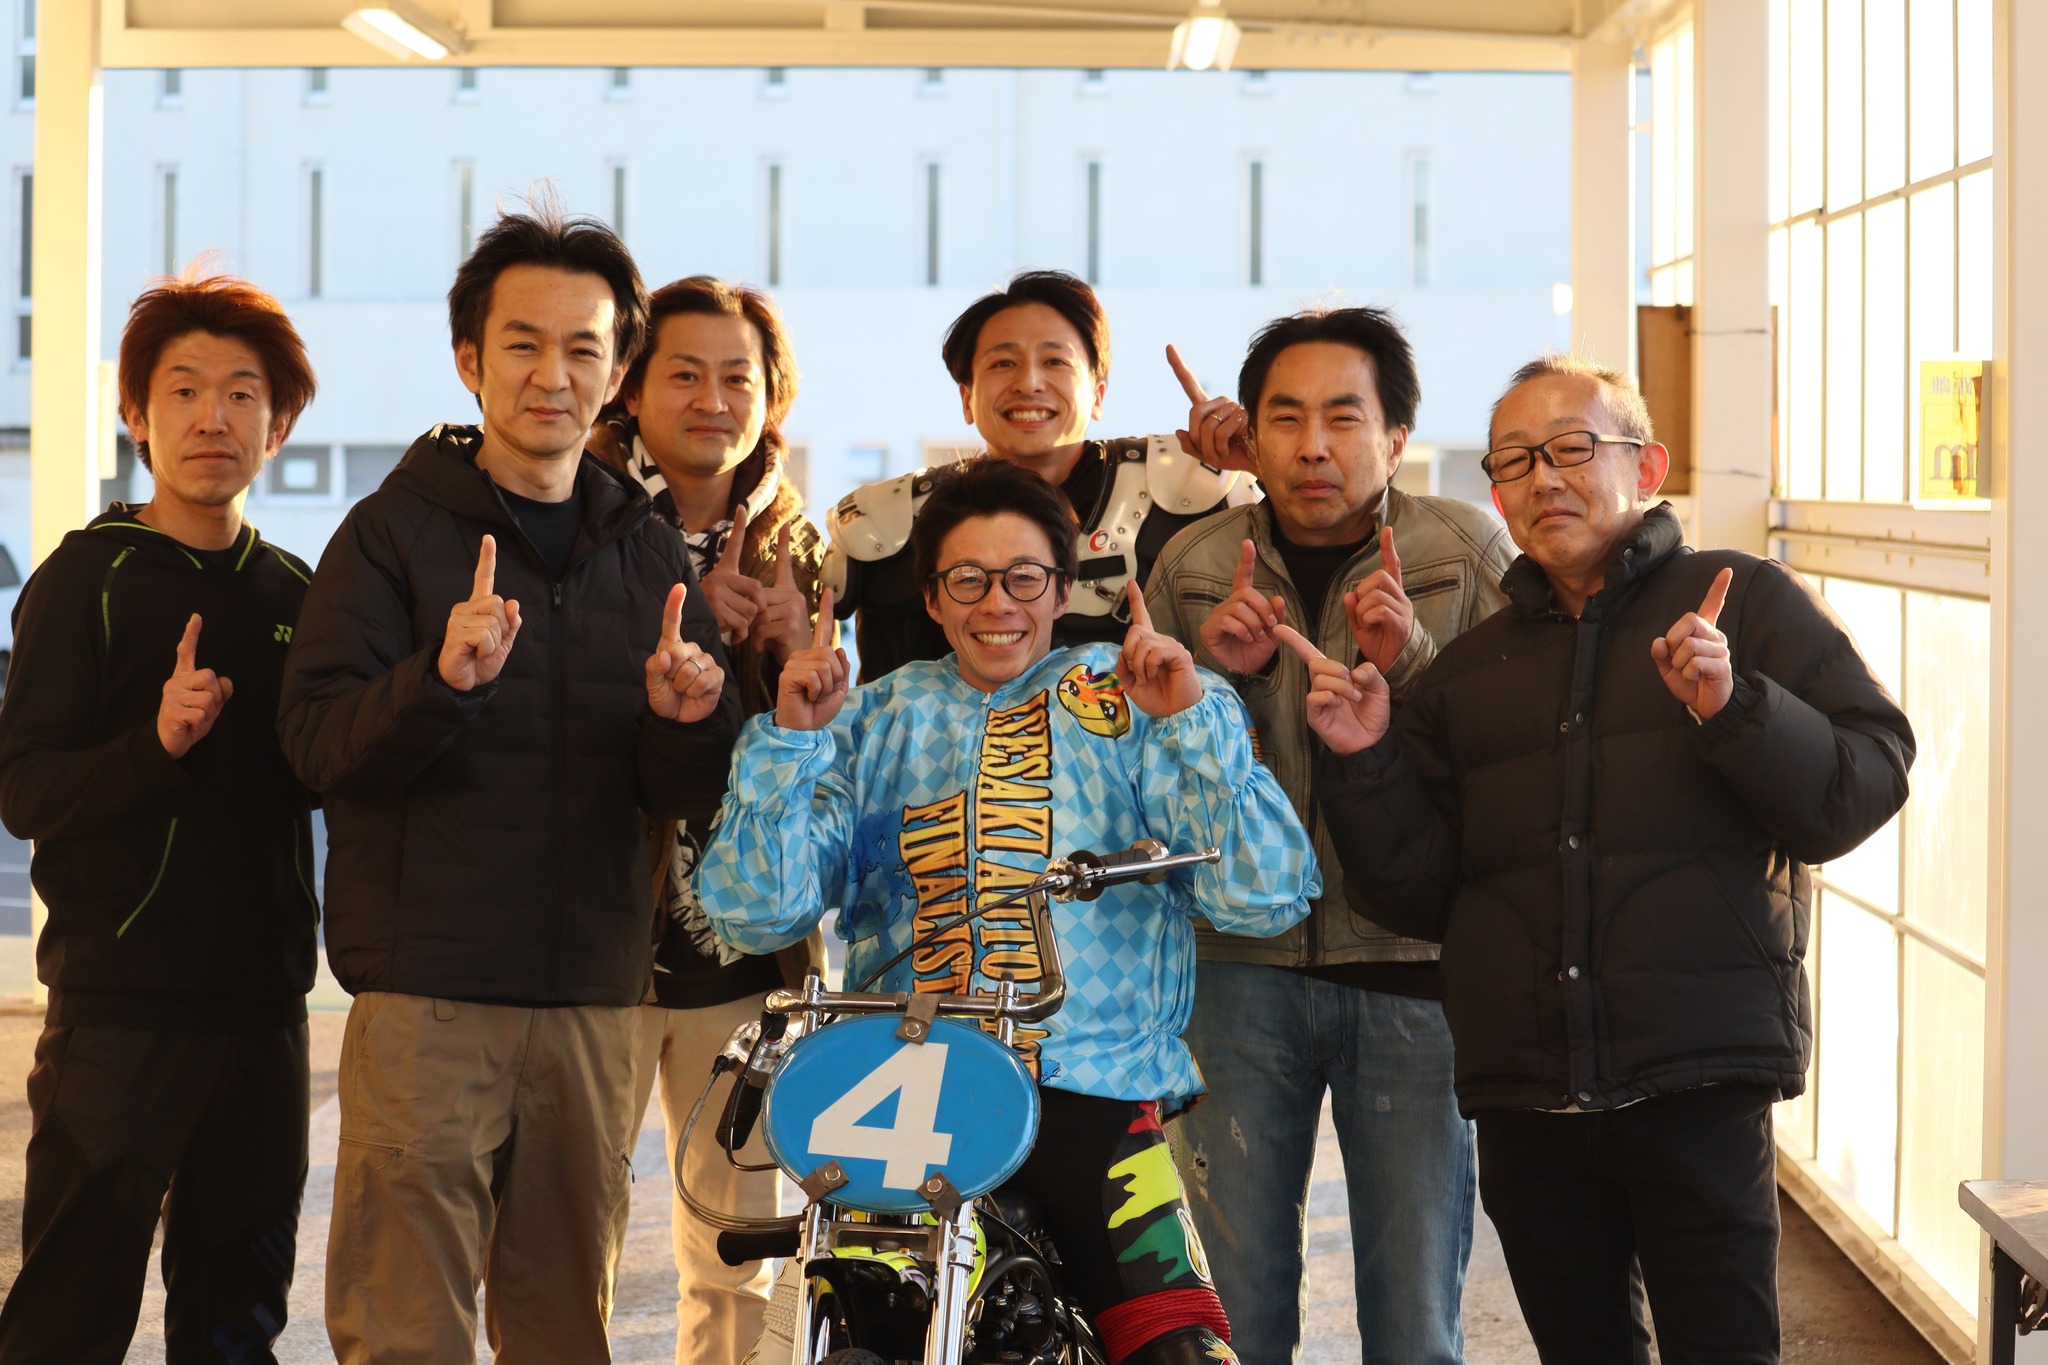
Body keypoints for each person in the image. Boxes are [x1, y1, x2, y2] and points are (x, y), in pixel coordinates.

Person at [1287, 354, 1915, 1365]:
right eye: (1514, 460)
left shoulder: (1743, 604)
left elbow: (1863, 782)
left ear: (1646, 465)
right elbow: (1415, 892)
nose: (1542, 478)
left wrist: (1736, 707)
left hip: (1696, 1081)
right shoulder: (1469, 672)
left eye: (1571, 449)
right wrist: (1365, 763)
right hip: (1527, 1097)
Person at [699, 457, 1320, 1365]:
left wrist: (1189, 716)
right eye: (969, 579)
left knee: (1183, 1353)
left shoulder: (1135, 691)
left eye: (1025, 577)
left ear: (1064, 589)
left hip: (1097, 1091)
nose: (998, 603)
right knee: (860, 1341)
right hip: (900, 1099)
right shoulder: (867, 717)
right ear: (932, 597)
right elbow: (755, 913)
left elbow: (1264, 895)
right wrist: (791, 740)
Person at [277, 201, 741, 1364]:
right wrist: (438, 682)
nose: (552, 374)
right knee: (405, 1327)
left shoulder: (642, 545)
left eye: (583, 348)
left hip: (594, 1001)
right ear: (468, 359)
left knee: (564, 1329)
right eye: (522, 344)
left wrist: (691, 719)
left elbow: (678, 790)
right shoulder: (389, 535)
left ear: (616, 375)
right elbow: (316, 744)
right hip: (430, 997)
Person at [1144, 306, 1516, 1365]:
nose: (1314, 445)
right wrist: (1222, 682)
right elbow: (1149, 775)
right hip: (1232, 970)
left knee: (1413, 1312)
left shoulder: (1463, 551)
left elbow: (1515, 750)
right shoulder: (1194, 565)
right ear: (1247, 437)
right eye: (1287, 417)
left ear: (1395, 437)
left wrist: (1411, 666)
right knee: (1233, 1304)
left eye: (1344, 417)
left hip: (1414, 970)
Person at [0, 272, 318, 1363]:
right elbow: (25, 793)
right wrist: (156, 746)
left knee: (238, 1323)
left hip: (265, 1014)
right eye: (183, 390)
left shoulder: (296, 593)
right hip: (117, 1017)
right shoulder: (83, 579)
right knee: (67, 1318)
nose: (212, 417)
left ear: (278, 425)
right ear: (136, 414)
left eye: (242, 393)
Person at [588, 274, 828, 1363]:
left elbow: (818, 752)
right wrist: (666, 626)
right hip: (586, 936)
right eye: (683, 373)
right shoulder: (570, 518)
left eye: (739, 376)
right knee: (563, 1238)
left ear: (771, 396)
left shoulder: (800, 544)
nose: (713, 399)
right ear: (631, 386)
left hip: (742, 952)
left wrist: (786, 657)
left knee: (739, 1250)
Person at [823, 268, 1254, 681]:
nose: (1029, 383)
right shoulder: (890, 525)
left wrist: (1259, 460)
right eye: (1002, 363)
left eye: (1054, 361)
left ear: (1098, 395)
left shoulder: (1202, 492)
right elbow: (873, 703)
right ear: (967, 399)